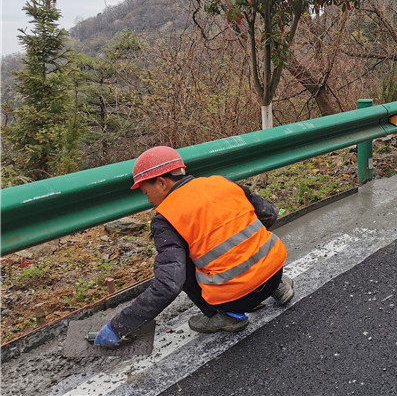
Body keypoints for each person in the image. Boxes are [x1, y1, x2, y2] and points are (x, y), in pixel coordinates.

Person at [93, 146, 294, 347]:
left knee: (181, 264)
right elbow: (269, 214)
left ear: (162, 182)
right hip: (275, 272)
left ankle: (224, 316)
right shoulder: (222, 183)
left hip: (235, 299)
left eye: (147, 192)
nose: (149, 201)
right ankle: (278, 288)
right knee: (245, 227)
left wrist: (119, 326)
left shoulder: (166, 218)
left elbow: (169, 284)